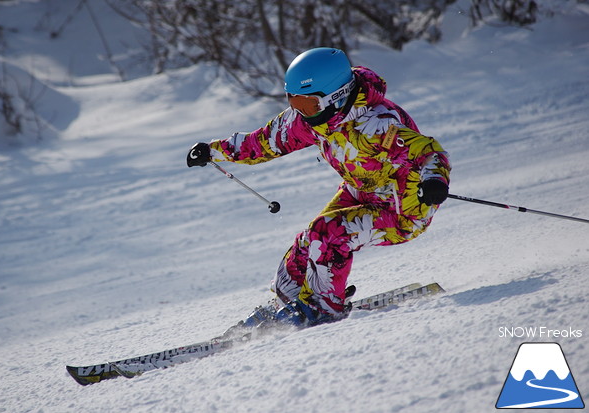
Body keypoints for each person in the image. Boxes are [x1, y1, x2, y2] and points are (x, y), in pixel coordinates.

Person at [187, 47, 450, 328]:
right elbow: (263, 142)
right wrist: (213, 151)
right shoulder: (312, 121)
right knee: (305, 246)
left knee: (328, 234)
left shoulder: (377, 124)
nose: (300, 112)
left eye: (308, 104)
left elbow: (428, 153)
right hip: (361, 192)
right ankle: (286, 303)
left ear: (336, 96)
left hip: (404, 209)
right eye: (293, 101)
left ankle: (321, 308)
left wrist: (434, 180)